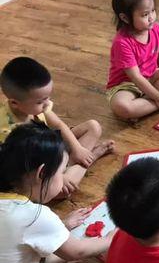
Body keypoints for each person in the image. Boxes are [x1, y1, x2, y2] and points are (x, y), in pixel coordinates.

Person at [0, 123, 112, 263]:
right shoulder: (33, 215)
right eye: (62, 172)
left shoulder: (9, 202)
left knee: (61, 259)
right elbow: (77, 251)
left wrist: (62, 225)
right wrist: (111, 238)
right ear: (42, 173)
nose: (63, 177)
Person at [0, 57, 114, 195]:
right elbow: (27, 171)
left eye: (48, 97)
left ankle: (77, 161)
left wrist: (77, 148)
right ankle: (91, 157)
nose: (47, 103)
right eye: (40, 101)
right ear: (14, 103)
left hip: (51, 147)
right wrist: (59, 177)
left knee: (93, 127)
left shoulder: (38, 106)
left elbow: (59, 124)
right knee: (61, 190)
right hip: (35, 166)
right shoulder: (8, 132)